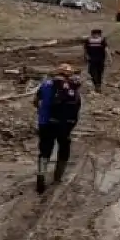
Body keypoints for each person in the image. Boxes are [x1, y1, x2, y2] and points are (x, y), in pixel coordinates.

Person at [33, 63, 82, 194]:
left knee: (44, 150)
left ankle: (41, 175)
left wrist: (42, 112)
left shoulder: (46, 85)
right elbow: (76, 107)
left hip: (45, 123)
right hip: (65, 125)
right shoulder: (72, 87)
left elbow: (35, 101)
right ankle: (58, 177)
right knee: (64, 148)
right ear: (69, 74)